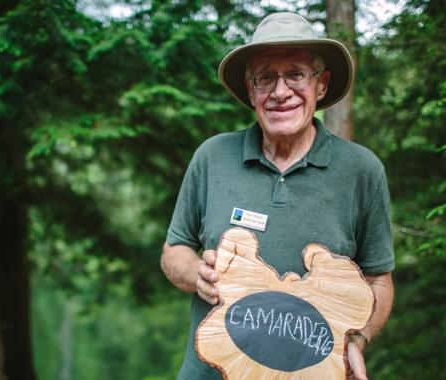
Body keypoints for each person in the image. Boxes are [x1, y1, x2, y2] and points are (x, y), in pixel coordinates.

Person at [160, 12, 395, 380]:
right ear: (250, 89)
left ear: (321, 85)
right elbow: (175, 250)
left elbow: (379, 279)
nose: (280, 91)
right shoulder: (212, 157)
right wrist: (196, 272)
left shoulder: (361, 170)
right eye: (266, 77)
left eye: (296, 74)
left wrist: (357, 338)